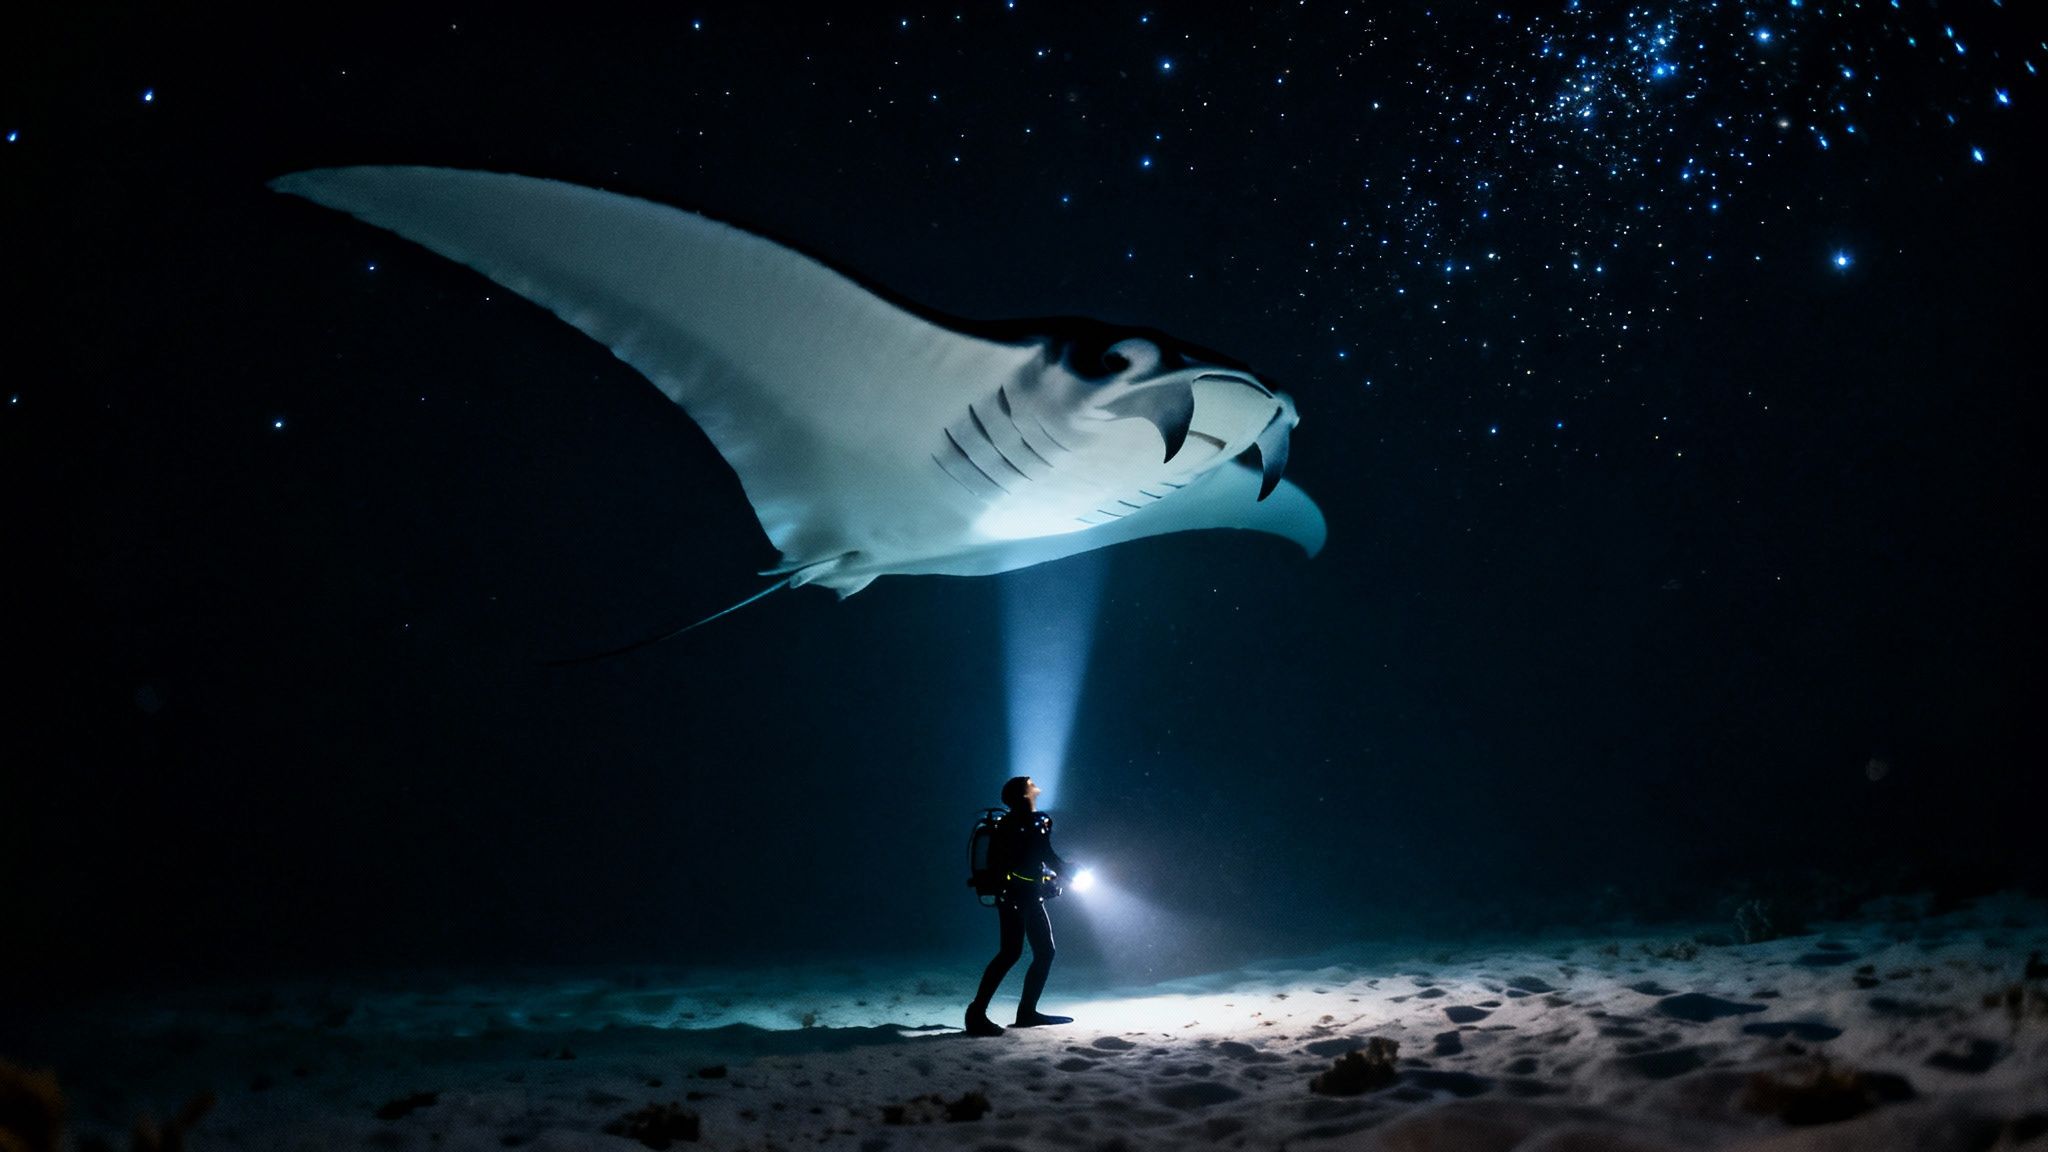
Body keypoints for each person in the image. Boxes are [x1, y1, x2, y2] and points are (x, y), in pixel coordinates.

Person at [965, 775, 1077, 1037]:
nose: (1034, 782)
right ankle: (977, 1014)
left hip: (1025, 894)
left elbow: (1039, 857)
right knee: (1012, 952)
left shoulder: (1020, 823)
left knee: (1042, 951)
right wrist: (1069, 870)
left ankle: (1026, 1012)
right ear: (1024, 794)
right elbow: (1046, 856)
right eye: (1029, 782)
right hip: (1016, 895)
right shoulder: (1027, 823)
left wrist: (1055, 873)